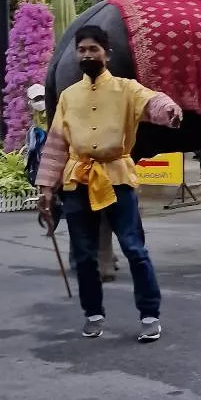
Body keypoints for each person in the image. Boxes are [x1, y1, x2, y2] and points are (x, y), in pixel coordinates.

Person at [37, 24, 182, 341]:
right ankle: (93, 313)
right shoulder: (68, 96)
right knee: (85, 255)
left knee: (134, 249)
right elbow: (56, 144)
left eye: (93, 49)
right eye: (82, 50)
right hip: (78, 181)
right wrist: (46, 189)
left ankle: (149, 315)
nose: (87, 55)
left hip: (117, 177)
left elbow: (153, 102)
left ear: (107, 53)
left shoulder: (126, 89)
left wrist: (168, 110)